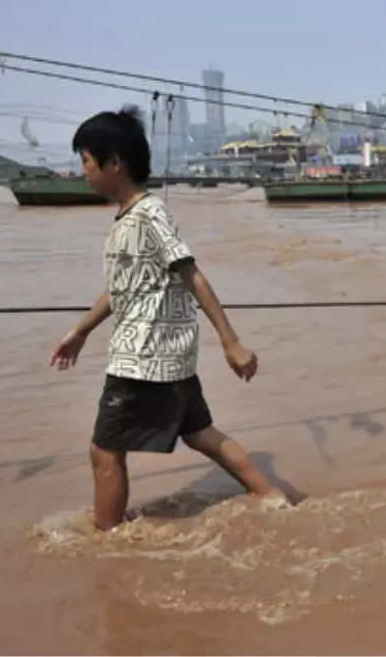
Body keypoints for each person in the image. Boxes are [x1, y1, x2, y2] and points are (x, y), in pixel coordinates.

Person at [50, 104, 283, 530]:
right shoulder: (126, 220)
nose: (82, 170)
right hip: (166, 355)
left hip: (143, 358)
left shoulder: (149, 214)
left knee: (104, 451)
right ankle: (270, 498)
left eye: (85, 160)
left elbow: (192, 274)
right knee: (200, 434)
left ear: (114, 162)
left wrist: (230, 341)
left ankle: (104, 544)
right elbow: (122, 288)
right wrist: (80, 331)